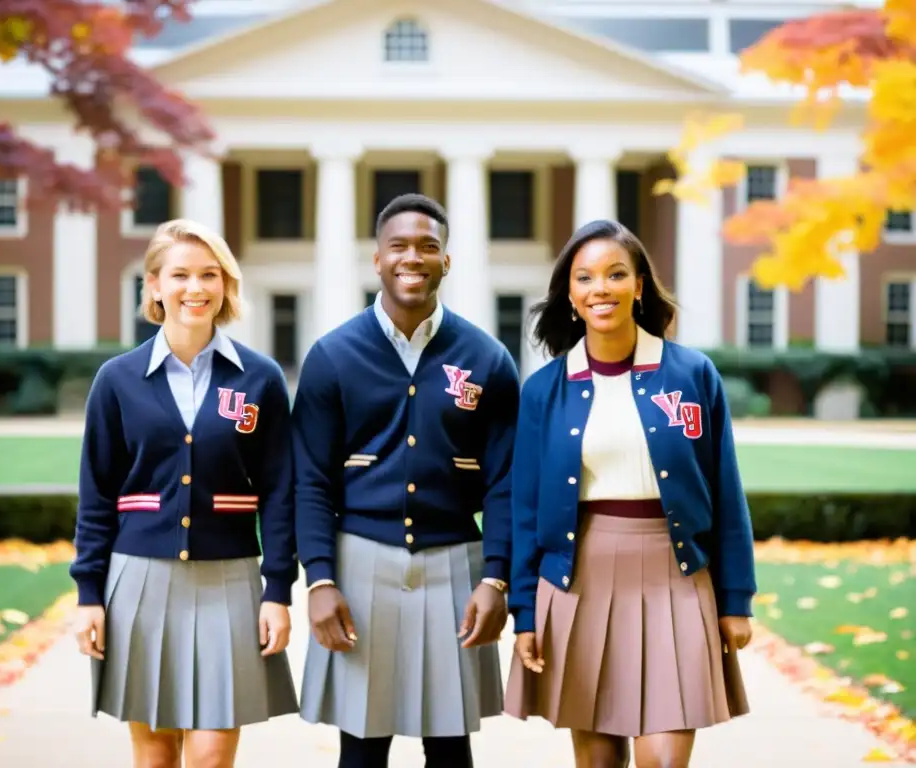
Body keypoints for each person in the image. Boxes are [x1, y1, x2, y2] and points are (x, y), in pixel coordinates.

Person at [503, 219, 755, 768]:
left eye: (616, 274)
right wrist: (524, 612)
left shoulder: (692, 373)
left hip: (677, 575)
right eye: (586, 277)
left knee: (664, 759)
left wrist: (736, 599)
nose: (601, 289)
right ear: (569, 295)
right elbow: (523, 510)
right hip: (578, 580)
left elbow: (726, 491)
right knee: (598, 763)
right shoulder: (544, 389)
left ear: (639, 285)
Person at [292, 193, 520, 768]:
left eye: (428, 246)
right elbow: (311, 480)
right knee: (362, 749)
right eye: (398, 246)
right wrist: (319, 580)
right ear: (377, 260)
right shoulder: (332, 355)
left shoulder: (487, 358)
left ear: (447, 261)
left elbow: (505, 483)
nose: (412, 258)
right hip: (359, 562)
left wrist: (496, 579)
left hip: (456, 566)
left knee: (450, 749)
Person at [69, 219, 299, 768]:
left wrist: (278, 590)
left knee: (214, 752)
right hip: (139, 580)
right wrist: (88, 596)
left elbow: (280, 490)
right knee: (154, 752)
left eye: (209, 275)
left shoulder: (259, 379)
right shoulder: (117, 379)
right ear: (153, 285)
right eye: (180, 275)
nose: (195, 288)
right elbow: (96, 493)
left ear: (225, 285)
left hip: (231, 578)